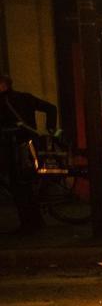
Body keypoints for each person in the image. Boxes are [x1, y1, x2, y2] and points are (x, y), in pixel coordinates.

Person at [1, 74, 59, 232]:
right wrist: (50, 129)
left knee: (20, 184)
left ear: (4, 84)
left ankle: (30, 224)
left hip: (16, 148)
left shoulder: (6, 101)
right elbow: (50, 108)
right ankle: (33, 222)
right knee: (24, 184)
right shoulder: (24, 97)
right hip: (29, 144)